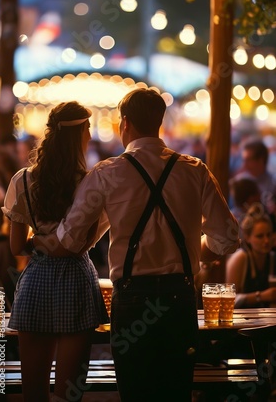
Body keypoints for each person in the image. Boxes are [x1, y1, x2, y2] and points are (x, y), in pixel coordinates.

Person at [34, 89, 239, 402]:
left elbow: (69, 240)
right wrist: (196, 253)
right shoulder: (195, 170)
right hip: (179, 297)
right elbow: (227, 239)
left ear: (125, 123)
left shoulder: (107, 173)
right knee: (176, 391)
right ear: (159, 121)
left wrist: (35, 241)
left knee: (135, 391)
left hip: (132, 299)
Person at [2, 101, 108, 402]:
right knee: (67, 393)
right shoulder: (87, 183)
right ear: (81, 134)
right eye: (87, 130)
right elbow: (84, 242)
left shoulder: (22, 180)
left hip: (36, 281)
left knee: (33, 392)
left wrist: (39, 241)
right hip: (76, 280)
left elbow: (16, 247)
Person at [226, 205, 276, 308]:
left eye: (269, 235)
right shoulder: (240, 258)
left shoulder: (272, 258)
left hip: (267, 319)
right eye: (260, 236)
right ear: (247, 238)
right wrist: (260, 296)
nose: (266, 241)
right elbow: (228, 299)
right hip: (242, 319)